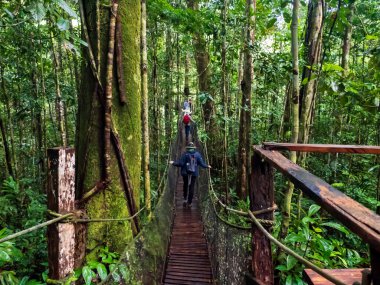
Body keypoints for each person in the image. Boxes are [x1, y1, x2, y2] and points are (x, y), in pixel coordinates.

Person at [170, 142, 211, 208]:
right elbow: (202, 164)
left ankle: (185, 198)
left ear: (188, 148)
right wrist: (207, 166)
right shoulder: (197, 155)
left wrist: (173, 163)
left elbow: (180, 164)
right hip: (194, 173)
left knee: (185, 185)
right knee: (192, 187)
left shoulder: (185, 154)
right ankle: (189, 202)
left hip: (185, 173)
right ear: (194, 148)